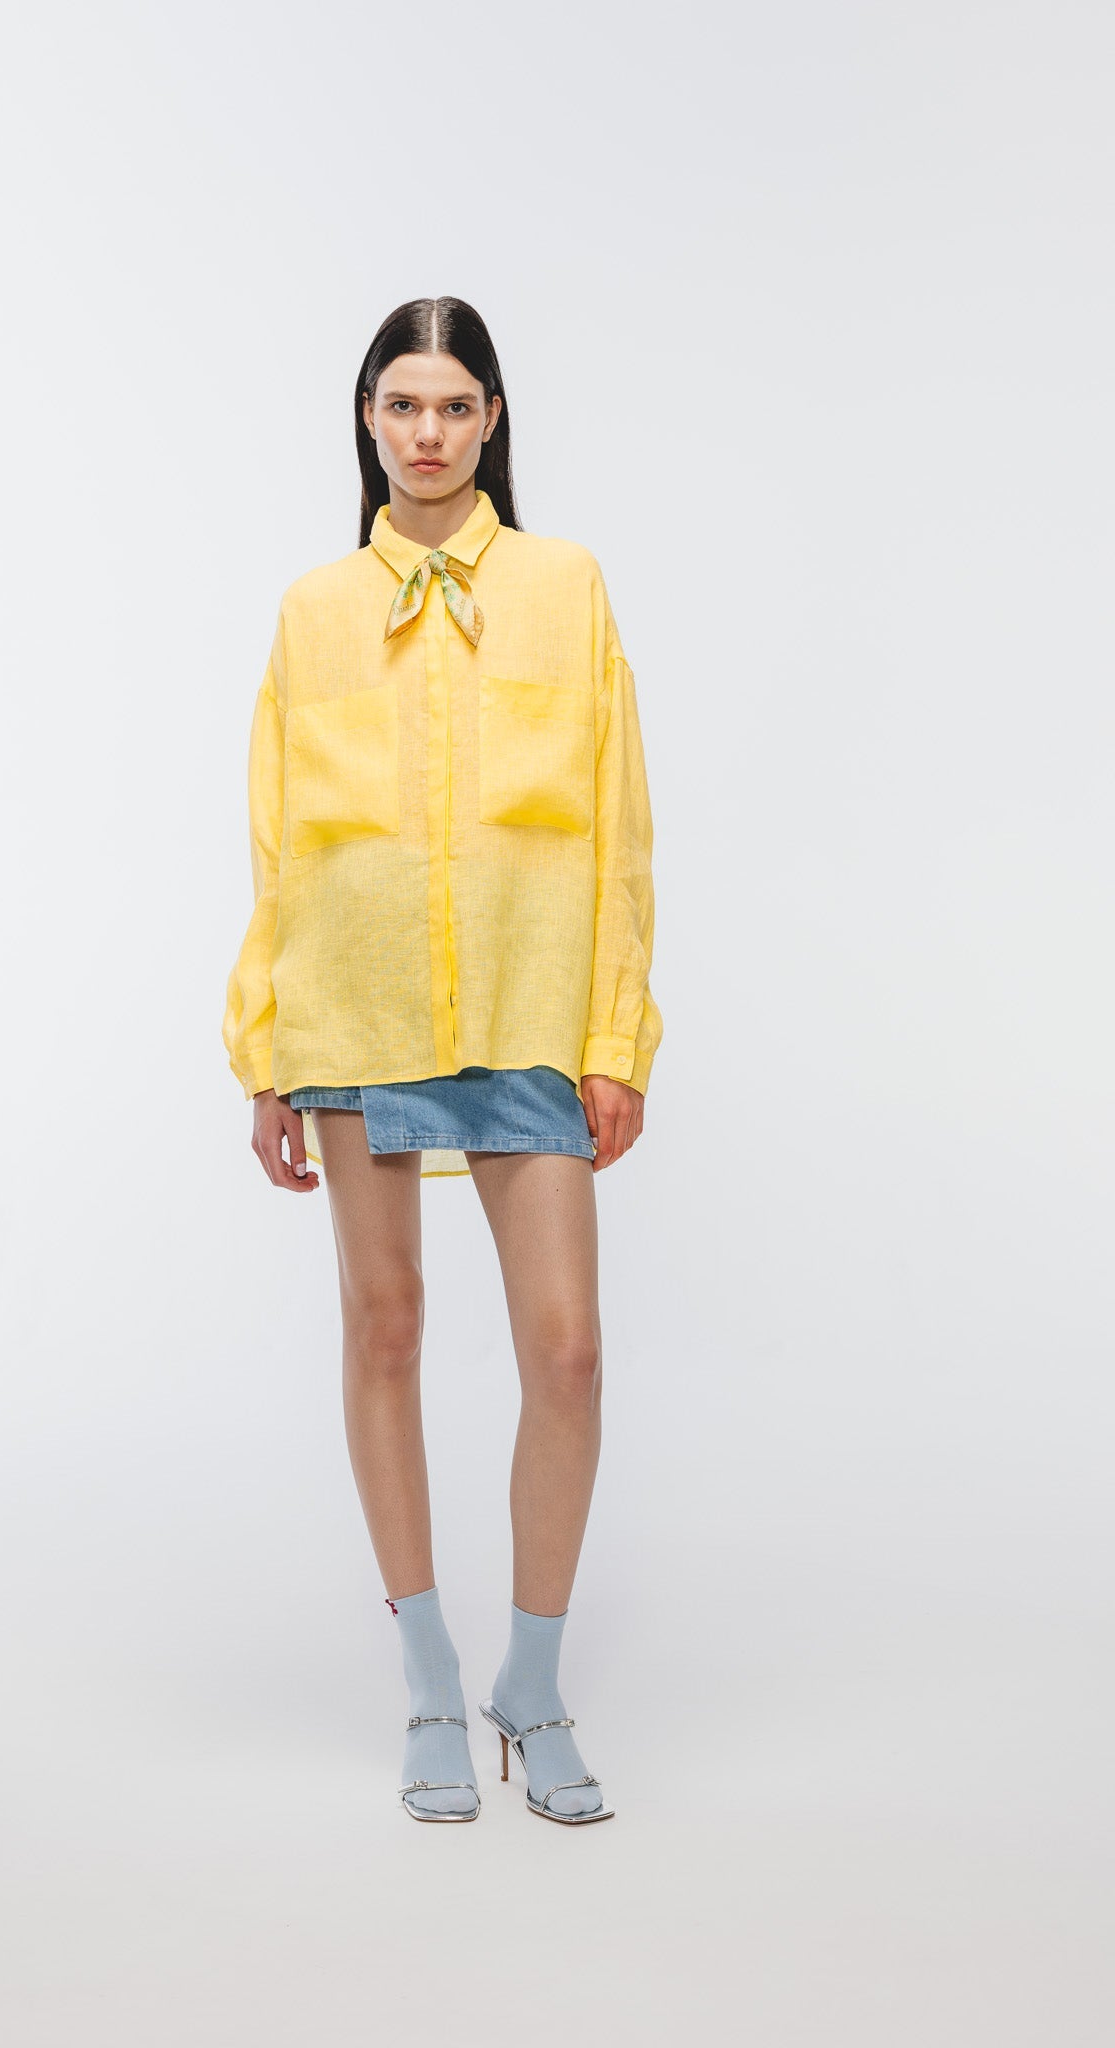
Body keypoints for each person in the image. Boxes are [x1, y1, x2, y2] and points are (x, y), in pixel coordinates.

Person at [222, 296, 662, 1825]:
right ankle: (424, 1675)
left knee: (567, 1349)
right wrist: (265, 1049)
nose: (426, 431)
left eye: (454, 405)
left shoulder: (563, 585)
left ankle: (529, 1685)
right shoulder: (312, 610)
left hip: (530, 1007)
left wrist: (614, 1033)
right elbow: (278, 843)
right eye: (401, 404)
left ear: (491, 420)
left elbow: (617, 827)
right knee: (387, 1325)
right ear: (367, 418)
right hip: (353, 1006)